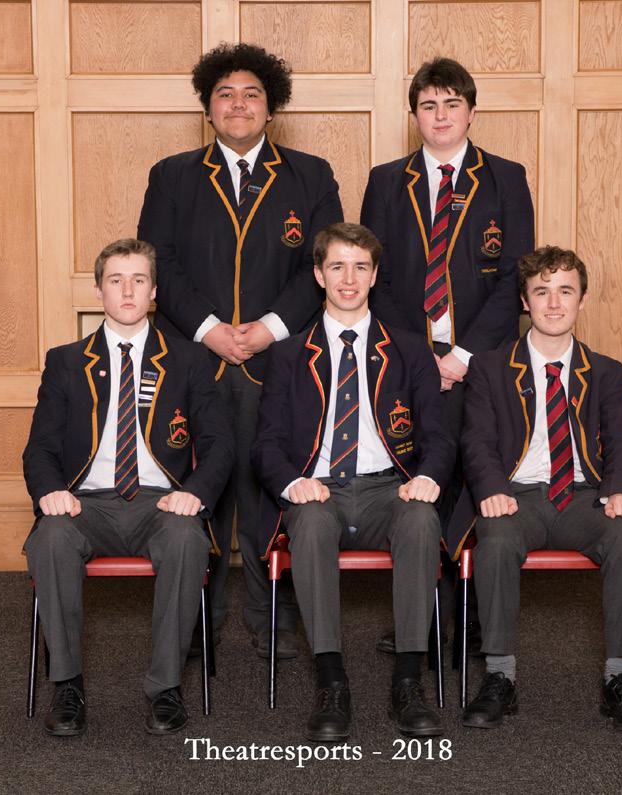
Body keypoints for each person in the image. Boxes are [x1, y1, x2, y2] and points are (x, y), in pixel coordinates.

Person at [138, 43, 343, 659]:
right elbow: (159, 263)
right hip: (194, 358)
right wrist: (210, 330)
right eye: (224, 94)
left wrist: (268, 328)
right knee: (197, 487)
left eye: (252, 94)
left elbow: (322, 264)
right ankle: (197, 619)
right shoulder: (172, 175)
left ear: (270, 107)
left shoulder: (311, 175)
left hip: (277, 360)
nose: (238, 104)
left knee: (266, 489)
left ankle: (268, 613)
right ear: (208, 108)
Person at [251, 223, 455, 741]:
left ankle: (409, 680)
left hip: (390, 487)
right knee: (312, 522)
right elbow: (267, 443)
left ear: (374, 275)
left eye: (360, 267)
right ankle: (331, 681)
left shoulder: (409, 350)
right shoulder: (288, 354)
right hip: (319, 488)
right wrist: (292, 482)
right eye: (337, 267)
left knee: (420, 519)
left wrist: (427, 476)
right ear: (319, 275)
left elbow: (438, 435)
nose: (349, 278)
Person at [22, 238, 233, 737]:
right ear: (99, 291)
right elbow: (40, 449)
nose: (128, 290)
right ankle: (67, 685)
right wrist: (51, 491)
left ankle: (166, 687)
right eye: (116, 280)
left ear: (154, 291)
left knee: (185, 539)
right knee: (50, 537)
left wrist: (195, 492)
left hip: (160, 502)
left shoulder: (188, 359)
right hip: (85, 505)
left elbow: (219, 444)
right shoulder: (66, 361)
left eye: (139, 280)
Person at [360, 56, 534, 653]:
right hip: (410, 363)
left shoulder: (505, 178)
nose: (440, 116)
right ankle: (425, 618)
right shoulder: (387, 181)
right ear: (415, 115)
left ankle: (473, 618)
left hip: (480, 362)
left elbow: (514, 278)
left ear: (471, 112)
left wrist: (461, 356)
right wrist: (418, 358)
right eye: (428, 106)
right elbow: (375, 280)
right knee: (419, 482)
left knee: (476, 478)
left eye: (451, 104)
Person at [446, 245, 622, 731]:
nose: (554, 303)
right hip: (516, 495)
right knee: (497, 541)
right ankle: (499, 676)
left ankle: (621, 678)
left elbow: (621, 440)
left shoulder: (606, 371)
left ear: (582, 300)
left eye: (565, 291)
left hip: (583, 497)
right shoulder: (491, 367)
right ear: (525, 301)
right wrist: (490, 488)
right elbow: (476, 440)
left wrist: (620, 487)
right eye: (542, 292)